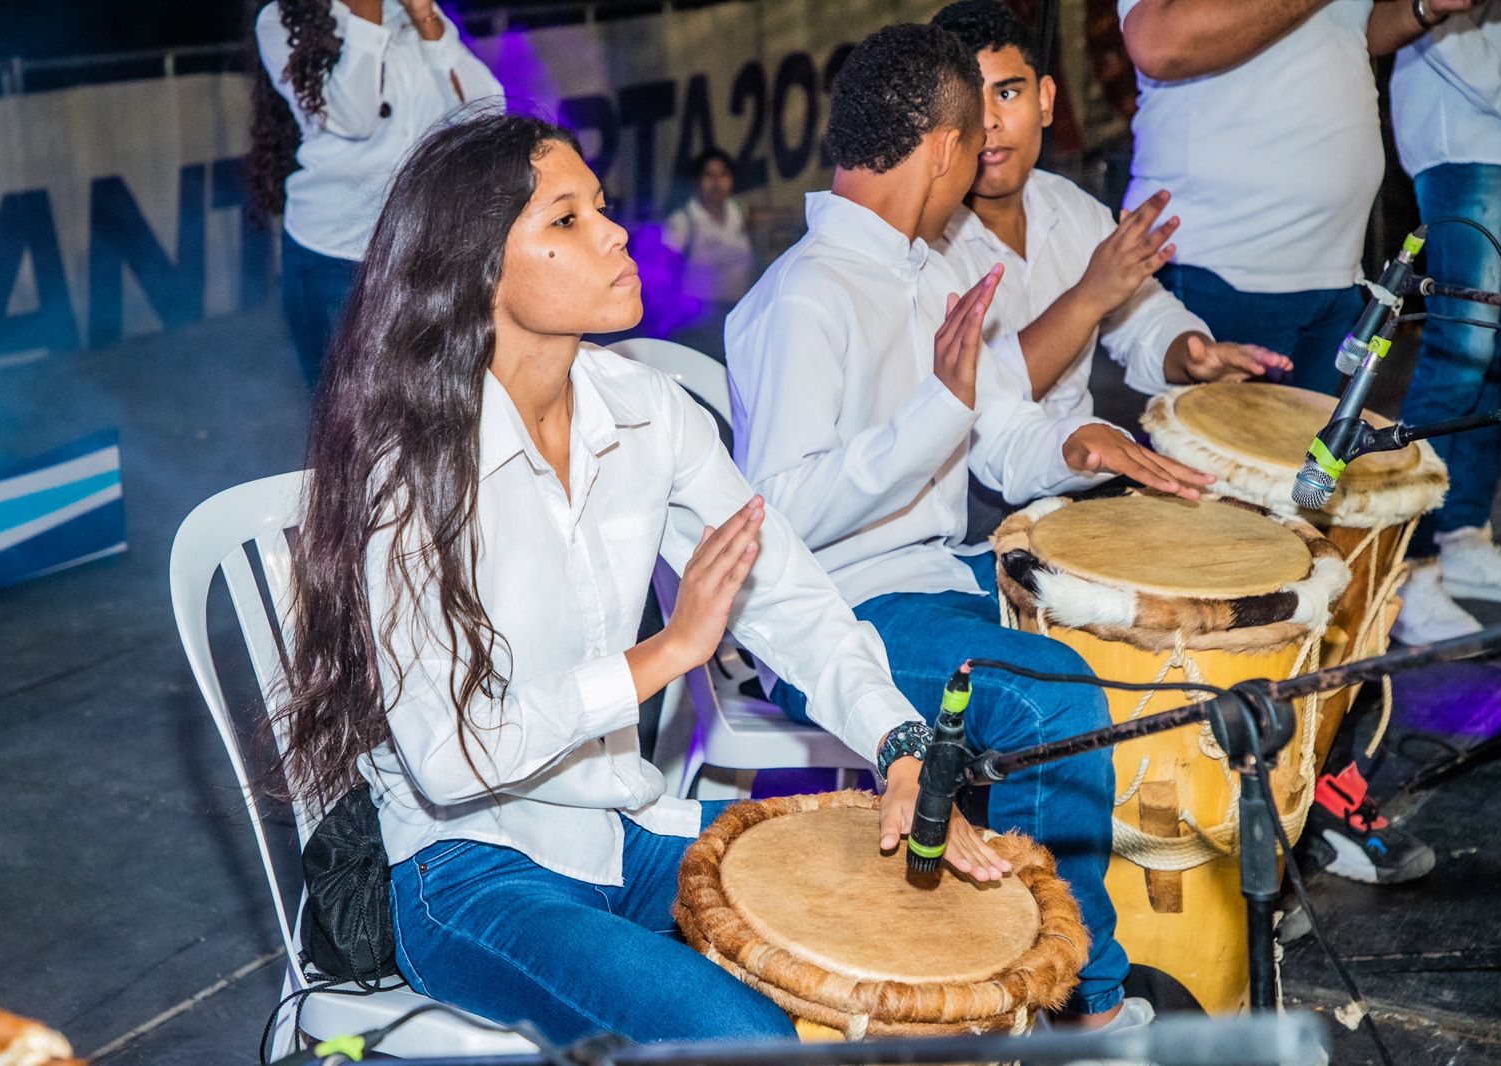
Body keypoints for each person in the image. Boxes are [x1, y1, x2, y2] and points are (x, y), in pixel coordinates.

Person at [274, 113, 1006, 1046]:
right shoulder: (408, 472)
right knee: (744, 1037)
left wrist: (900, 743)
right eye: (566, 219)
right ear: (480, 269)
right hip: (466, 871)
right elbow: (450, 757)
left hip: (625, 830)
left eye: (601, 206)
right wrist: (667, 652)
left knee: (914, 914)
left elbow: (788, 594)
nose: (615, 232)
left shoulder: (647, 413)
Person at [727, 24, 1207, 1032]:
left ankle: (1051, 946)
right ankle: (1078, 1004)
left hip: (939, 577)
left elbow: (999, 438)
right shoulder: (805, 296)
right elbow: (781, 518)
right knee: (1048, 695)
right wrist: (932, 415)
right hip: (840, 608)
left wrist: (1079, 446)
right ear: (943, 148)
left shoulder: (930, 272)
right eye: (973, 132)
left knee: (1116, 640)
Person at [930, 0, 1292, 426]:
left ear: (1045, 100)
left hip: (1077, 453)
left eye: (1007, 93)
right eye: (968, 100)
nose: (989, 121)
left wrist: (1193, 354)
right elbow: (968, 400)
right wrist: (1089, 297)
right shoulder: (925, 241)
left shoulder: (1071, 208)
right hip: (980, 470)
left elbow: (1144, 317)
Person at [1117, 0, 1481, 397]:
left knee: (1310, 439)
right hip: (1223, 261)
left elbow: (1351, 27)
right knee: (1211, 439)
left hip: (1335, 266)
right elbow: (1158, 43)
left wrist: (1423, 7)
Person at [249, 0, 504, 387]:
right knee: (345, 408)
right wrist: (368, 15)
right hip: (336, 257)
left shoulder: (410, 12)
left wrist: (425, 18)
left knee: (435, 394)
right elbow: (357, 117)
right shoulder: (282, 20)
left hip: (422, 247)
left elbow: (486, 112)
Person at [1386, 1, 1501, 647]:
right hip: (1466, 134)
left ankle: (1463, 535)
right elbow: (1439, 26)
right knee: (1460, 348)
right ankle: (1408, 564)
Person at [662, 148, 756, 362]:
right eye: (709, 175)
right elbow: (662, 268)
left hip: (738, 313)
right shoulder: (684, 220)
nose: (717, 183)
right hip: (698, 320)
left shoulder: (739, 213)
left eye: (723, 175)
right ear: (696, 181)